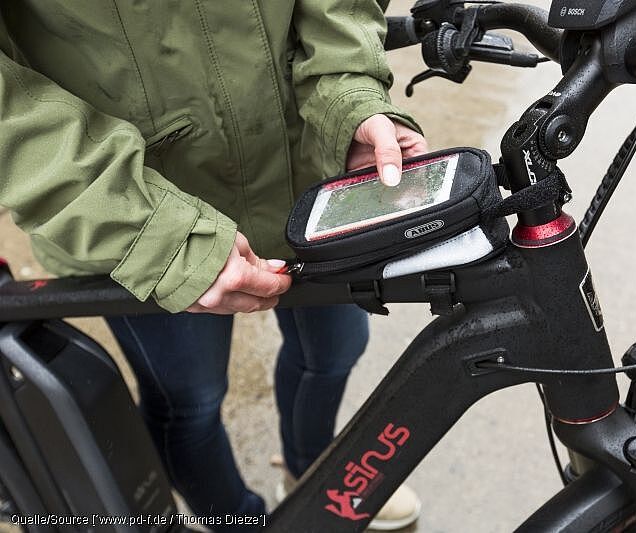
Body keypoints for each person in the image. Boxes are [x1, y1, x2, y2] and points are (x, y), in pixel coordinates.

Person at [0, 2, 427, 531]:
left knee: (336, 349)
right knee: (191, 402)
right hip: (134, 198)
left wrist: (350, 97)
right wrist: (150, 234)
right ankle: (237, 522)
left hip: (308, 164)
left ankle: (316, 471)